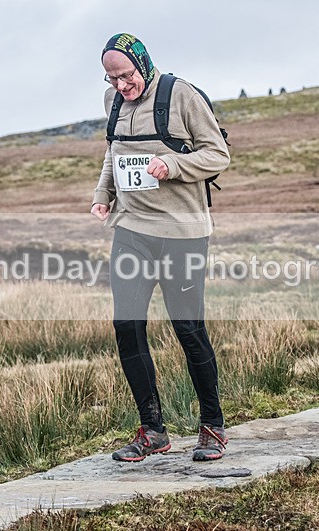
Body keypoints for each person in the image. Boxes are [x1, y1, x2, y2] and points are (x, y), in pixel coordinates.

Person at [91, 33, 231, 462]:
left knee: (188, 329)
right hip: (133, 231)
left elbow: (217, 155)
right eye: (111, 78)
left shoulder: (181, 96)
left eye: (126, 76)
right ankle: (152, 430)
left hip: (182, 234)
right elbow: (114, 151)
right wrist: (103, 194)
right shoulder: (112, 101)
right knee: (126, 325)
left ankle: (212, 427)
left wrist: (172, 164)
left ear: (143, 64)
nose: (120, 86)